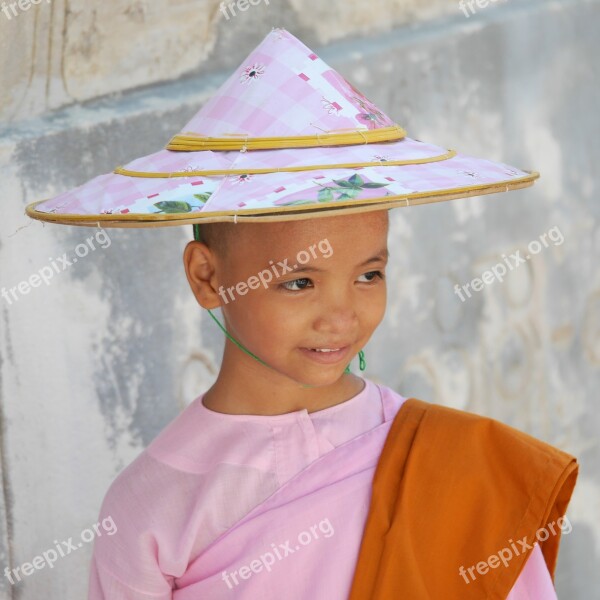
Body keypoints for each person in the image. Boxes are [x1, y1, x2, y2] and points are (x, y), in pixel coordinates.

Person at [25, 27, 577, 599]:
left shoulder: (447, 462)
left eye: (369, 275)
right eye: (298, 282)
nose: (340, 317)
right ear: (207, 277)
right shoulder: (152, 503)